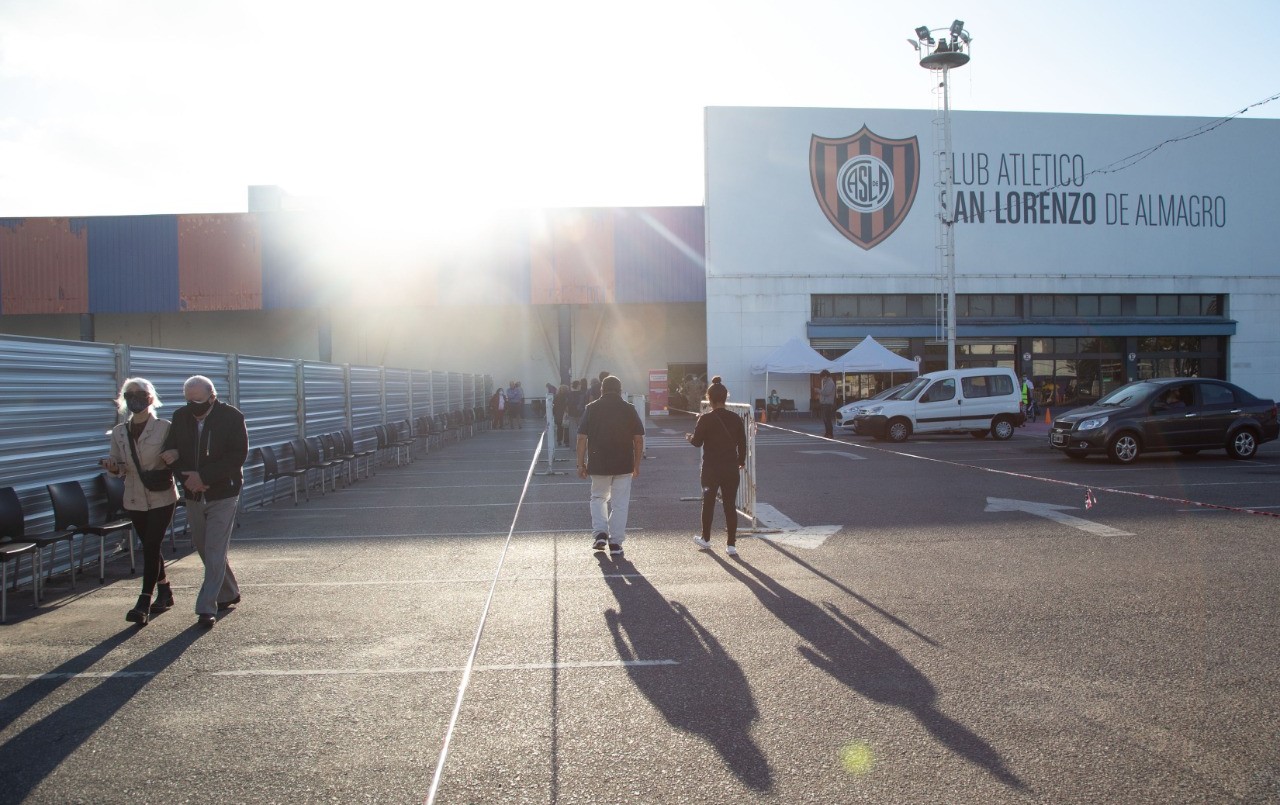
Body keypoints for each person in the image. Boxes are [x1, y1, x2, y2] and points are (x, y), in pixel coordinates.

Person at [160, 375, 248, 629]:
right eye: (189, 401)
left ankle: (206, 606)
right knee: (203, 545)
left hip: (223, 493)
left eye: (198, 401)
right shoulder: (180, 417)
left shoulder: (231, 417)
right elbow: (170, 452)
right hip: (193, 493)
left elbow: (237, 456)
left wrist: (205, 477)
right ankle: (229, 591)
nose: (194, 406)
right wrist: (187, 477)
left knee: (214, 549)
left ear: (212, 396)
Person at [102, 377, 179, 626]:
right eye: (130, 393)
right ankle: (165, 590)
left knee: (151, 544)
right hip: (134, 495)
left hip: (161, 494)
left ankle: (143, 601)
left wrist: (175, 454)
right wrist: (113, 467)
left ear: (151, 397)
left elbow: (180, 453)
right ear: (124, 399)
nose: (135, 397)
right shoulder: (119, 432)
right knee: (149, 545)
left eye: (140, 392)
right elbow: (118, 464)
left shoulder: (165, 427)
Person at [576, 375, 644, 557]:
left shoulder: (591, 409)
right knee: (620, 504)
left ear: (601, 390)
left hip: (598, 463)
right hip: (624, 463)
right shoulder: (629, 409)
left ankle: (600, 533)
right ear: (620, 390)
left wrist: (580, 464)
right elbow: (638, 440)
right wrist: (636, 464)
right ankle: (616, 543)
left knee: (598, 497)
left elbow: (582, 438)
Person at [686, 377, 747, 556]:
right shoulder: (736, 418)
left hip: (711, 469)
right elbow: (742, 443)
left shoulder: (705, 419)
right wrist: (741, 461)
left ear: (709, 398)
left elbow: (697, 442)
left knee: (709, 503)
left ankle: (706, 539)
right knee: (730, 505)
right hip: (730, 468)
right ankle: (731, 545)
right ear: (725, 398)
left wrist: (689, 436)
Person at [565, 379, 586, 446]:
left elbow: (567, 404)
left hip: (571, 413)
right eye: (579, 384)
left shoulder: (569, 394)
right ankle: (581, 445)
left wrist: (567, 412)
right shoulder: (582, 394)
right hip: (581, 413)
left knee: (572, 430)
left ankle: (573, 445)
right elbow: (585, 403)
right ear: (578, 385)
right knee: (581, 430)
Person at [818, 369, 836, 438]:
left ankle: (830, 433)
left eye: (823, 377)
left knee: (827, 419)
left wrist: (818, 391)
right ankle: (827, 433)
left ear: (825, 376)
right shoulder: (826, 382)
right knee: (825, 419)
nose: (822, 379)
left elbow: (826, 393)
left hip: (827, 403)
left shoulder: (830, 383)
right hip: (825, 403)